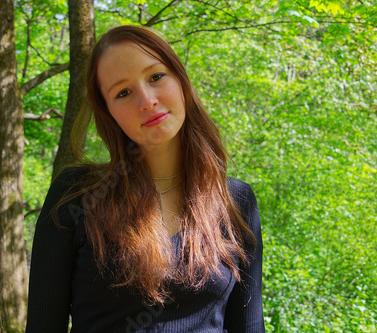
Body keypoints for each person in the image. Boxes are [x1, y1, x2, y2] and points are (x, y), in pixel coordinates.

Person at [26, 25, 264, 333]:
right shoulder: (76, 195)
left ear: (180, 80)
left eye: (156, 77)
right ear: (109, 113)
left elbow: (249, 327)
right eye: (123, 92)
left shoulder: (237, 201)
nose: (147, 100)